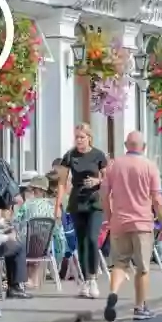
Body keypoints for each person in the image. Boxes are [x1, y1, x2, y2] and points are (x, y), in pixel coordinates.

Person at [99, 132, 162, 322]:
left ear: (125, 145)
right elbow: (157, 199)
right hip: (142, 223)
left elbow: (103, 195)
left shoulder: (114, 166)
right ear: (144, 147)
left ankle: (113, 293)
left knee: (119, 264)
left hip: (119, 222)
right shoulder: (149, 166)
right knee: (142, 268)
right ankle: (140, 307)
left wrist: (109, 217)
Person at [55, 123, 108, 299]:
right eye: (76, 137)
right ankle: (86, 280)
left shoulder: (98, 155)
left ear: (89, 138)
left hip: (95, 203)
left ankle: (92, 278)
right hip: (77, 202)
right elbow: (61, 182)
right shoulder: (70, 155)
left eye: (82, 137)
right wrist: (57, 206)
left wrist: (97, 183)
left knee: (92, 239)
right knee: (82, 241)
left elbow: (108, 179)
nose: (78, 140)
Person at [13, 176, 66, 287]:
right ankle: (34, 279)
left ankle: (26, 278)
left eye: (32, 189)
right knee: (38, 240)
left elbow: (16, 222)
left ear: (36, 190)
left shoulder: (27, 205)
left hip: (27, 246)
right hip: (45, 247)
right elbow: (57, 230)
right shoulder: (53, 206)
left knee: (20, 240)